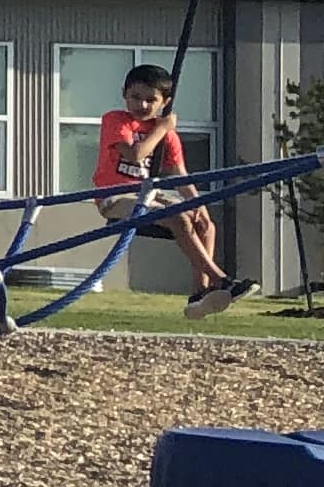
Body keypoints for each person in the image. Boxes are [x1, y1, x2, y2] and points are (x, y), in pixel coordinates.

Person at [97, 62, 240, 318]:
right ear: (124, 94)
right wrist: (162, 128)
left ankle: (201, 293)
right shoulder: (116, 121)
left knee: (204, 224)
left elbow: (180, 175)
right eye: (135, 98)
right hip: (116, 196)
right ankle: (220, 279)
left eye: (150, 100)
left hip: (152, 195)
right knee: (178, 217)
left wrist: (199, 207)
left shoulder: (167, 136)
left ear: (165, 101)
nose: (141, 105)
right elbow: (135, 154)